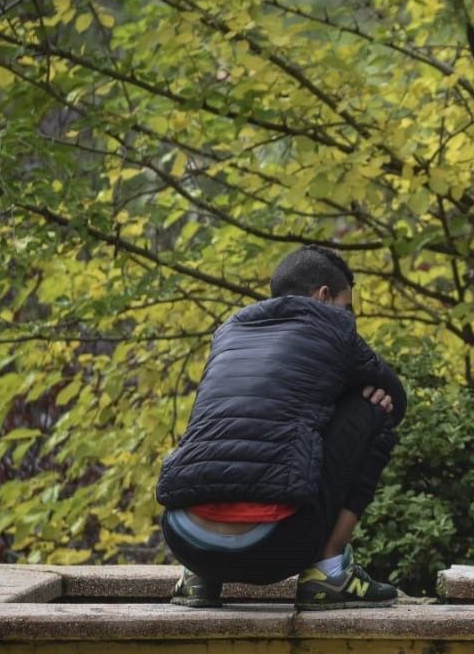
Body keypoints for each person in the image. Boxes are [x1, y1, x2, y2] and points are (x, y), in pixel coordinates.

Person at [157, 245, 406, 609]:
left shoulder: (229, 332)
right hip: (276, 545)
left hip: (184, 538)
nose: (349, 317)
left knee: (224, 420)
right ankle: (331, 573)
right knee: (374, 407)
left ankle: (197, 580)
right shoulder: (333, 326)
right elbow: (395, 397)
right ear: (323, 296)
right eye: (346, 306)